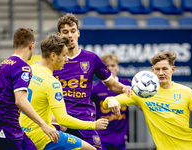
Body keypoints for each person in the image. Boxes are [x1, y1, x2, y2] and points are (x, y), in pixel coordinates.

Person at [53, 13, 132, 150]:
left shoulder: (91, 58)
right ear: (59, 35)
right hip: (61, 120)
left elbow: (112, 84)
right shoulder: (53, 61)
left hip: (85, 120)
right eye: (65, 32)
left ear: (78, 33)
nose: (70, 35)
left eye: (73, 31)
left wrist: (124, 88)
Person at [19, 34, 109, 150]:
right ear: (53, 56)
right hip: (42, 137)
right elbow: (63, 119)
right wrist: (93, 125)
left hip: (22, 133)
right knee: (91, 149)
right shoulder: (53, 83)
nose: (67, 59)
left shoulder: (29, 70)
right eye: (64, 55)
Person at [103, 51, 192, 149]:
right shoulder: (143, 92)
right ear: (152, 70)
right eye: (157, 69)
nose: (161, 73)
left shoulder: (186, 92)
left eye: (165, 69)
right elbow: (107, 103)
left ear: (173, 69)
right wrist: (110, 100)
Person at [0, 28, 59, 150]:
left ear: (14, 45)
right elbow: (20, 100)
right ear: (32, 45)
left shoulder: (3, 64)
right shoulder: (22, 68)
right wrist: (43, 125)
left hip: (13, 126)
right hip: (8, 129)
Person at [91, 54, 131, 150]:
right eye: (107, 66)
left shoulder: (127, 84)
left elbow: (139, 103)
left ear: (118, 67)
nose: (110, 68)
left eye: (113, 66)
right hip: (102, 135)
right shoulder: (95, 87)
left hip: (120, 136)